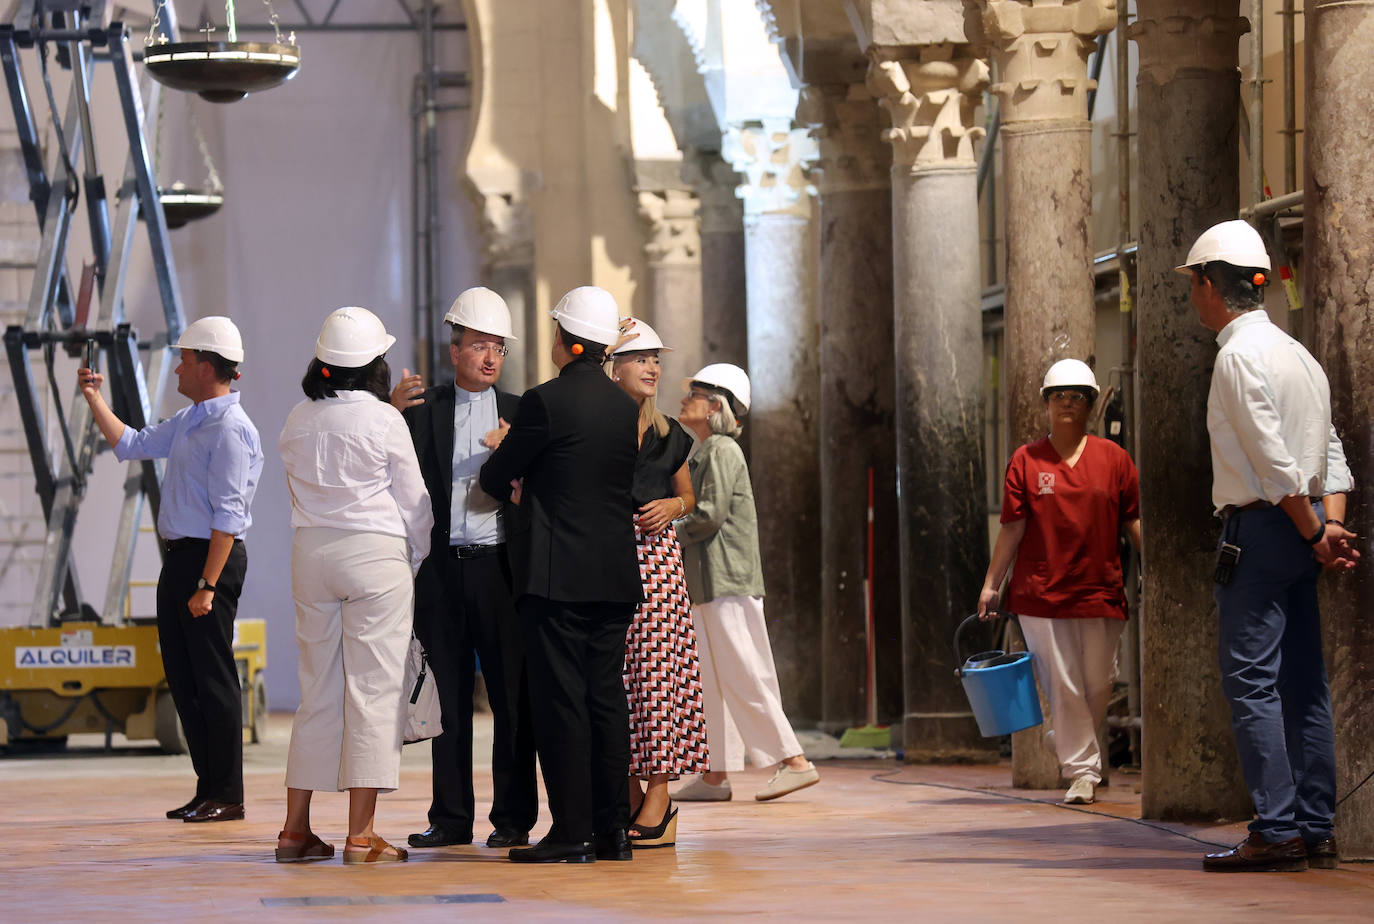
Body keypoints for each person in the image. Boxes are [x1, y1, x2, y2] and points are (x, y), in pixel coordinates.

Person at [1178, 221, 1358, 873]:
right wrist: (1326, 529)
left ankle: (1277, 830)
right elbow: (1329, 454)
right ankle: (1316, 828)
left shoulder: (1236, 357)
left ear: (1209, 285)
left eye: (1193, 284)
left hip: (1261, 531)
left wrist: (1314, 530)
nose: (1193, 297)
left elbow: (1273, 463)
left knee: (1253, 683)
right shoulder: (1298, 355)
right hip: (1301, 530)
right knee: (1305, 681)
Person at [479, 285, 642, 864]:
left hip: (557, 578)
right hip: (615, 575)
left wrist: (522, 476)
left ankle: (572, 832)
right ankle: (613, 830)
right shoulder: (625, 407)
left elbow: (495, 478)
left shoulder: (543, 402)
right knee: (607, 700)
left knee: (562, 704)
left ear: (569, 342)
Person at [78, 316, 262, 823]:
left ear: (205, 366)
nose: (177, 369)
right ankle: (209, 789)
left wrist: (207, 584)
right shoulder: (190, 420)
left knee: (214, 679)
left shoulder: (231, 430)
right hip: (182, 559)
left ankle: (228, 794)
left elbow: (228, 518)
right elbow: (131, 444)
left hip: (209, 562)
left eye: (184, 360)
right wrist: (94, 397)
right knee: (185, 679)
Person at [275, 306, 433, 864]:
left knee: (316, 689)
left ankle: (294, 831)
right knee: (373, 691)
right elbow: (415, 501)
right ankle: (361, 836)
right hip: (373, 554)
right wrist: (418, 556)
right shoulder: (385, 419)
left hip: (310, 552)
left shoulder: (298, 417)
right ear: (374, 365)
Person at [388, 286, 538, 850]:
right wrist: (389, 412)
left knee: (511, 700)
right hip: (443, 571)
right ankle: (450, 819)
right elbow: (384, 462)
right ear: (454, 352)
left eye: (498, 346)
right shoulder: (423, 410)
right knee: (447, 700)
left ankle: (513, 820)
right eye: (478, 345)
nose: (490, 356)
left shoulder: (524, 412)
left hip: (501, 569)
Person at [976, 359, 1142, 805]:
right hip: (1041, 592)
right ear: (1046, 405)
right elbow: (1012, 527)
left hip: (1101, 587)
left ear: (1090, 405)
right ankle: (1082, 772)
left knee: (1100, 682)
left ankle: (1065, 738)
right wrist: (992, 583)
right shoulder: (1025, 460)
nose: (1067, 404)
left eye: (1076, 397)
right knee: (1063, 683)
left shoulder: (1115, 459)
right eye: (1059, 397)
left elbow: (1132, 519)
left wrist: (1156, 567)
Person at [671, 364, 820, 804]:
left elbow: (708, 516)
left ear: (714, 406)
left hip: (727, 580)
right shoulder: (709, 450)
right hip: (711, 580)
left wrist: (662, 529)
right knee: (713, 679)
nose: (684, 400)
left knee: (743, 673)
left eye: (694, 394)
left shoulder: (720, 449)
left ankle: (794, 761)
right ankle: (715, 774)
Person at [608, 321, 707, 849]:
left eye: (655, 359)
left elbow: (687, 497)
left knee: (656, 675)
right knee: (617, 678)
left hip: (656, 560)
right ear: (614, 367)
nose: (651, 367)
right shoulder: (599, 425)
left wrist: (673, 505)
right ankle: (627, 791)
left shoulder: (670, 432)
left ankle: (660, 794)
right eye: (640, 358)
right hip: (605, 556)